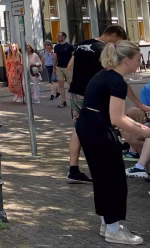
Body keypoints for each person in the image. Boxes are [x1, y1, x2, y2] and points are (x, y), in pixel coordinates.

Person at [75, 40, 150, 244]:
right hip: (98, 129)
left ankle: (107, 224)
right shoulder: (114, 80)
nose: (139, 63)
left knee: (102, 178)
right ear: (127, 60)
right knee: (113, 179)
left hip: (88, 126)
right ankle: (114, 230)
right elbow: (118, 119)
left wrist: (140, 105)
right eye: (137, 59)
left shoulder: (107, 75)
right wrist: (147, 131)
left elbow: (125, 89)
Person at [67, 25, 150, 184]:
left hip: (77, 91)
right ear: (114, 35)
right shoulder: (104, 50)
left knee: (78, 128)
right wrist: (139, 104)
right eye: (120, 41)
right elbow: (119, 84)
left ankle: (73, 168)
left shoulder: (83, 44)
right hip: (95, 95)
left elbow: (70, 66)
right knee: (100, 127)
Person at [54, 32, 75, 108]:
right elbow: (55, 56)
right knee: (60, 83)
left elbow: (74, 56)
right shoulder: (56, 46)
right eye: (57, 36)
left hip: (68, 67)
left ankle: (74, 100)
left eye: (59, 36)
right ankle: (63, 101)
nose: (58, 37)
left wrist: (72, 66)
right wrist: (54, 66)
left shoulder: (69, 46)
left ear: (64, 37)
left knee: (71, 83)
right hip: (59, 67)